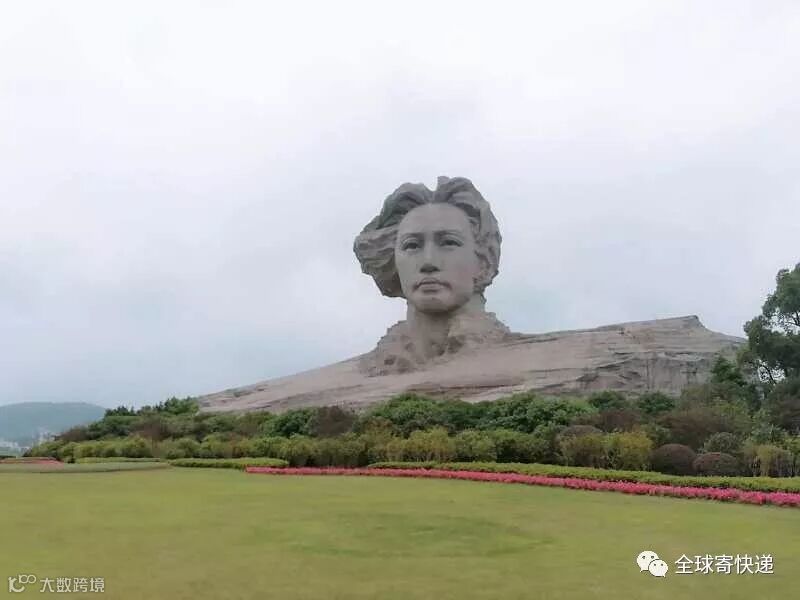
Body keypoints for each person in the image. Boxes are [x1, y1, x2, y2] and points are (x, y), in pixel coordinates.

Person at [354, 176, 510, 375]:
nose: (429, 262)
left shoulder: (531, 362)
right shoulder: (334, 381)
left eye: (448, 243)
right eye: (412, 245)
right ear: (392, 261)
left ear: (483, 260)